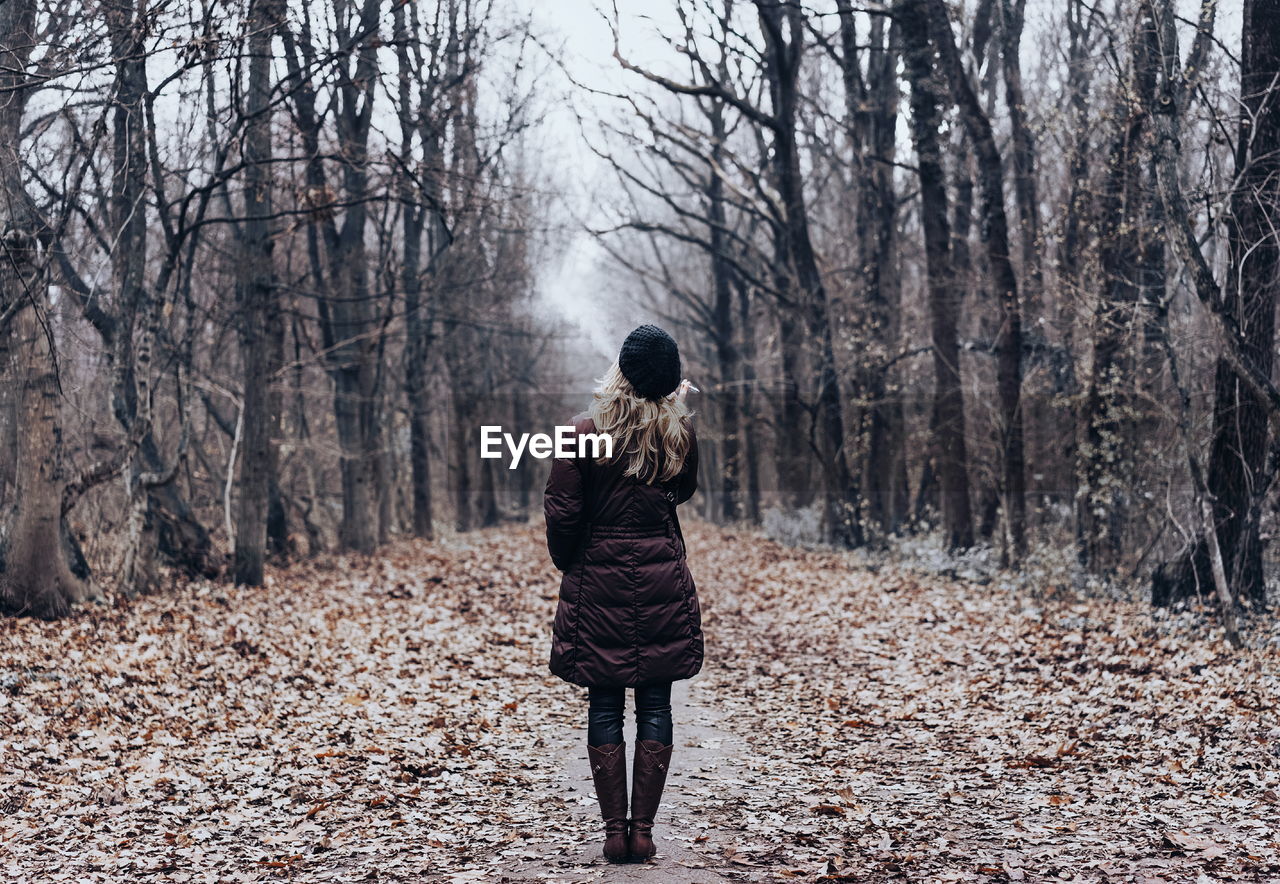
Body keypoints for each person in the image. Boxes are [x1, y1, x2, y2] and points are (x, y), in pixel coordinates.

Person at [543, 324, 703, 864]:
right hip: (660, 577)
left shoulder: (582, 432)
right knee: (656, 701)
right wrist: (673, 415)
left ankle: (615, 832)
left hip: (598, 578)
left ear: (620, 373)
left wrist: (575, 564)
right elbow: (682, 491)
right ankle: (644, 831)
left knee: (604, 700)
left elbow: (562, 512)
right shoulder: (679, 435)